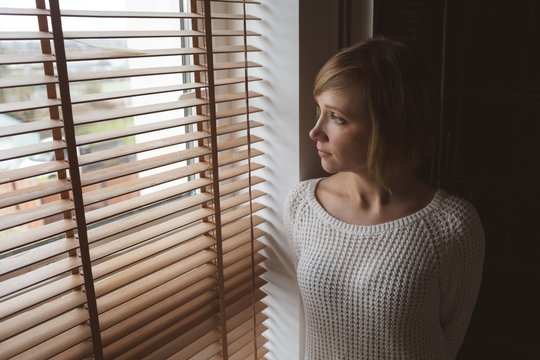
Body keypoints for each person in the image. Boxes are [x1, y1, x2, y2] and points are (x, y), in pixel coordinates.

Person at [283, 37, 485, 360]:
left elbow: (450, 338)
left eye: (337, 117)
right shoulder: (302, 206)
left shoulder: (451, 226)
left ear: (388, 127)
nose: (315, 131)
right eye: (318, 110)